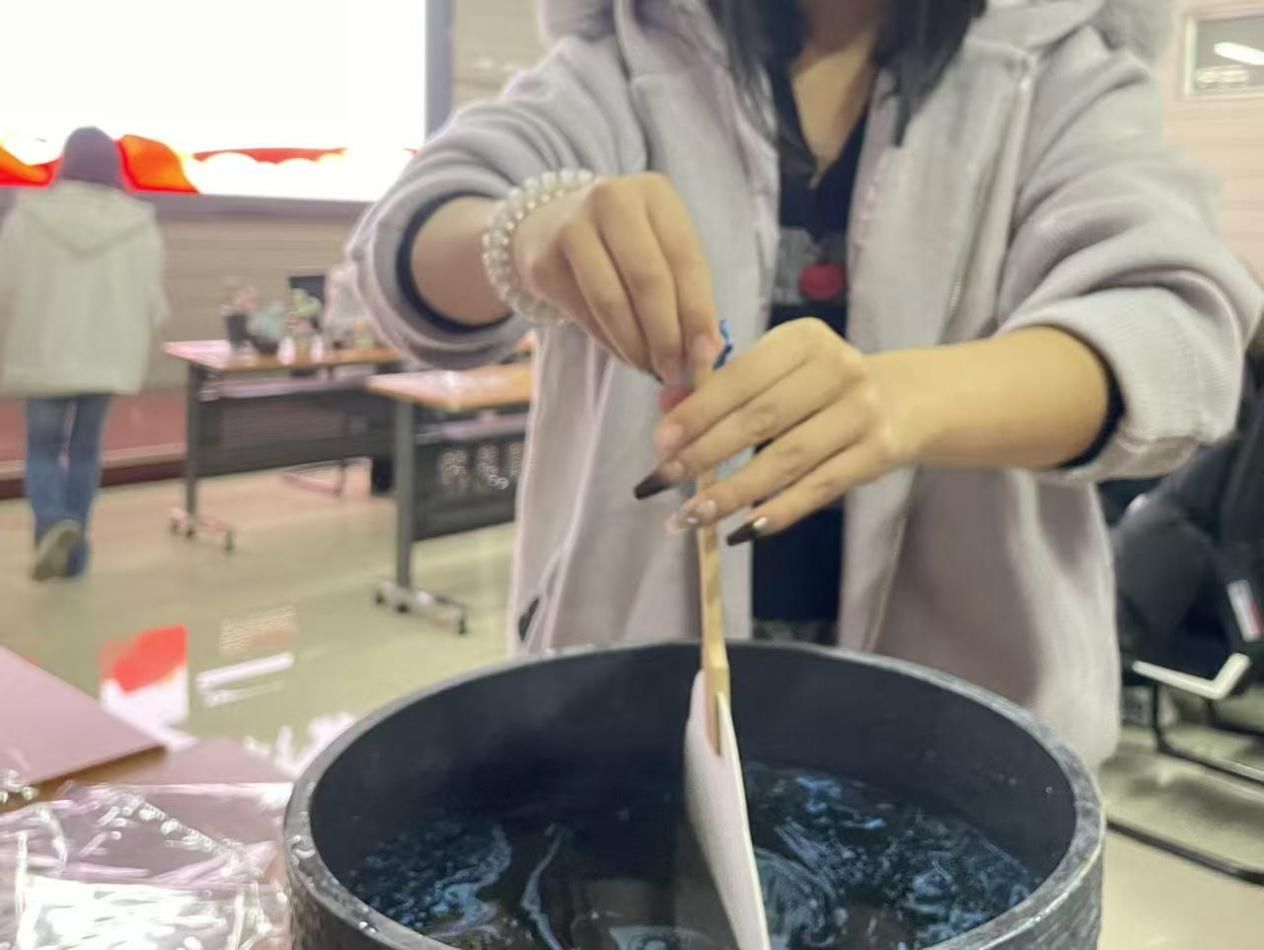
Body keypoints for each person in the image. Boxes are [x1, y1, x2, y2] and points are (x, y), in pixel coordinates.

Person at [350, 0, 1261, 768]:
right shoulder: (624, 55)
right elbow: (409, 238)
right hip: (624, 706)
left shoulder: (1058, 70)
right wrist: (529, 233)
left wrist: (907, 402)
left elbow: (1176, 331)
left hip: (964, 745)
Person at [0, 127, 168, 580]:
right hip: (106, 354)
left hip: (43, 352)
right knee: (85, 451)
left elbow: (6, 281)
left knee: (42, 449)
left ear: (66, 161)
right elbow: (153, 299)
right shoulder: (138, 223)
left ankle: (53, 523)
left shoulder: (30, 216)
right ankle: (74, 558)